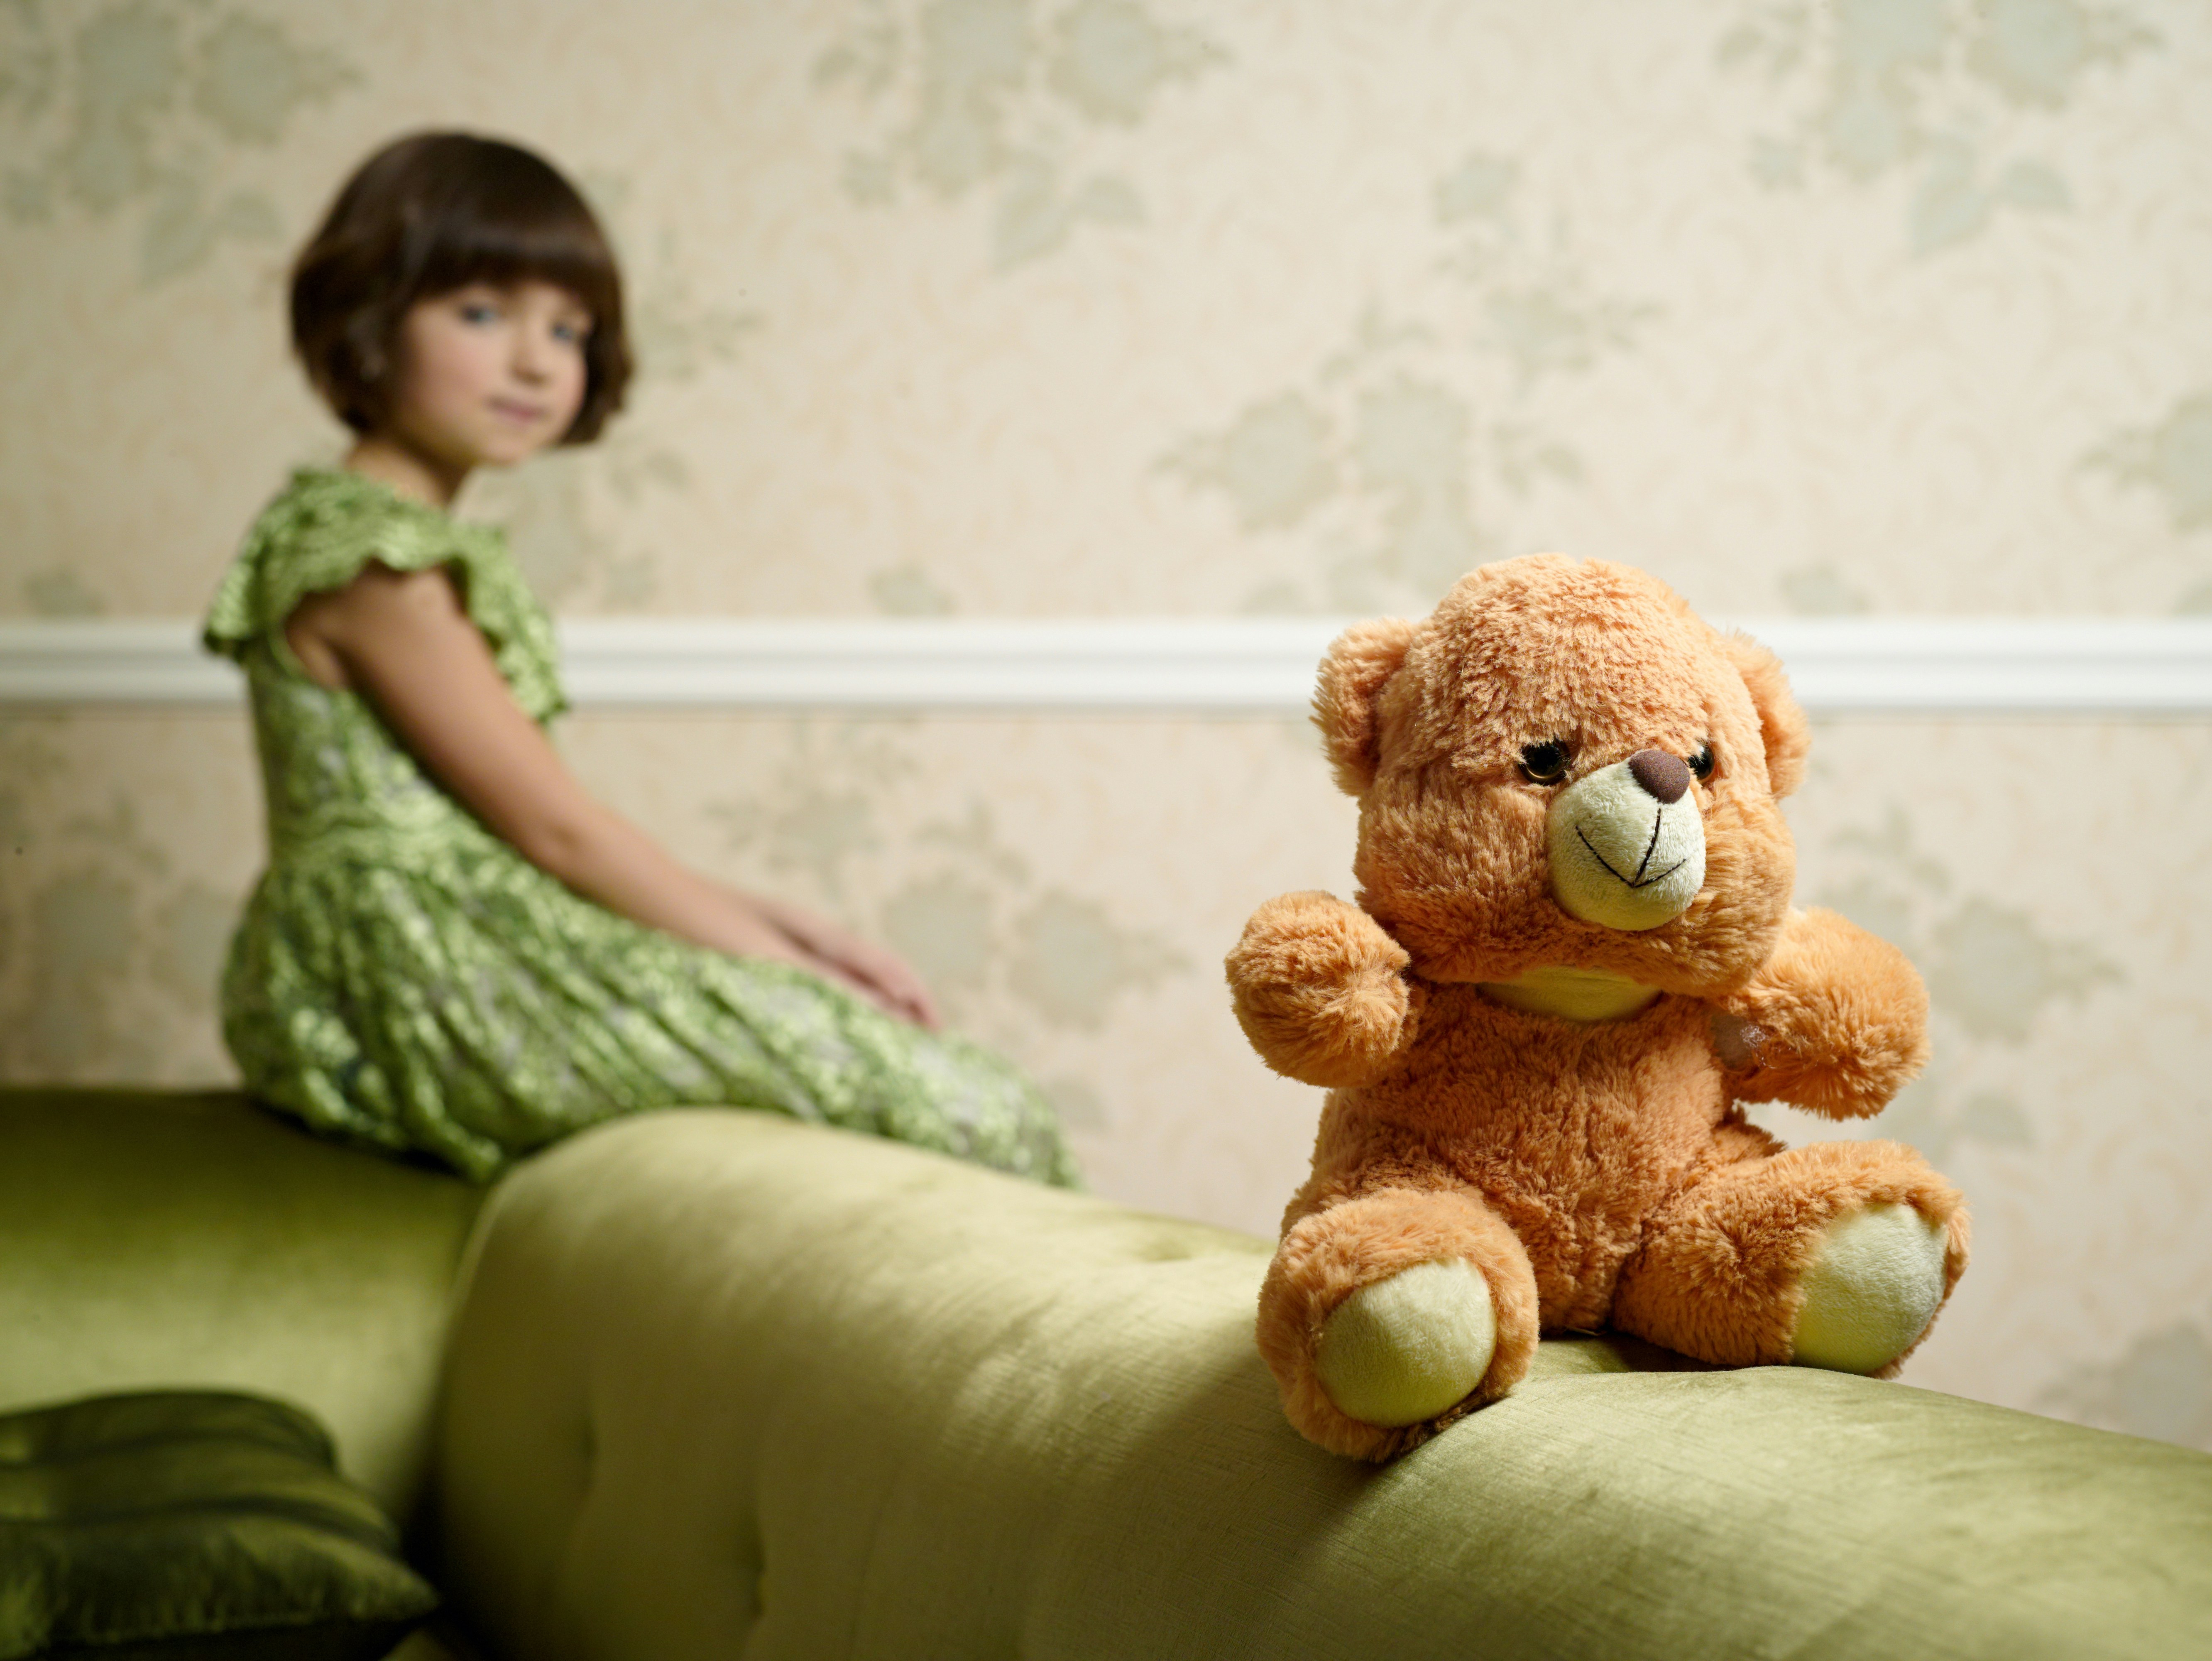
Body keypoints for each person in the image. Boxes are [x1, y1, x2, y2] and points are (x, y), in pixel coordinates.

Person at [202, 131, 1077, 1186]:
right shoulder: (372, 562)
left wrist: (783, 925)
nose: (536, 362)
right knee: (973, 1107)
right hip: (418, 976)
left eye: (567, 329)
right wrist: (798, 980)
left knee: (952, 1090)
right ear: (370, 318)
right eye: (481, 313)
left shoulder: (382, 538)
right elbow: (558, 831)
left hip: (463, 935)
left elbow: (528, 824)